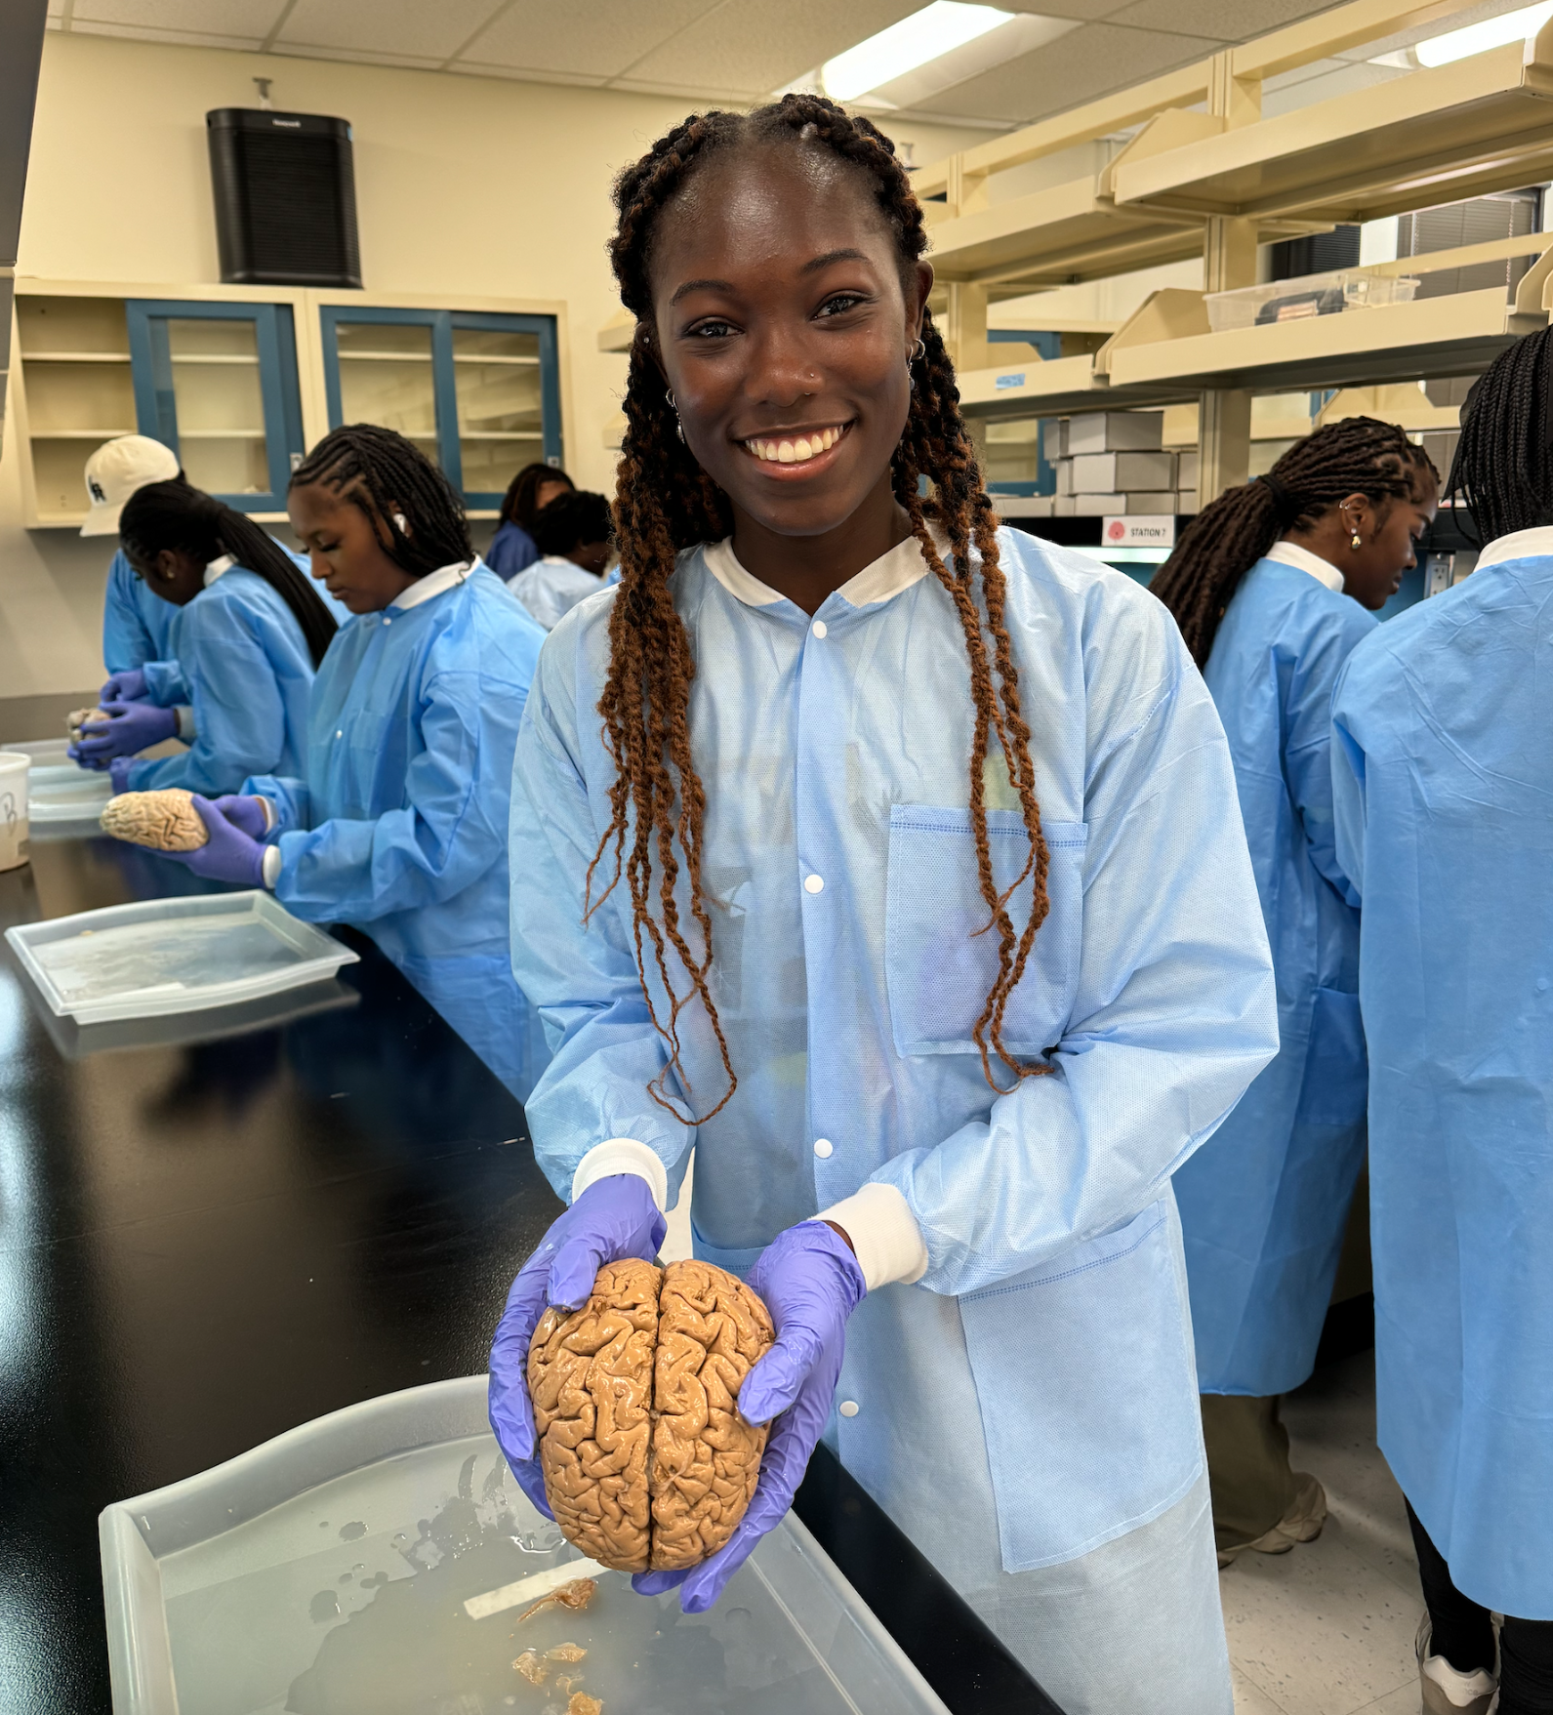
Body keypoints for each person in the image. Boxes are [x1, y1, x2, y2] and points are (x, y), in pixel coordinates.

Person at [485, 98, 1279, 1715]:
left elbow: (1178, 1034)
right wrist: (622, 1170)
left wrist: (866, 1241)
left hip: (1044, 1423)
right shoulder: (597, 677)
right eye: (712, 326)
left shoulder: (1091, 652)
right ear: (657, 359)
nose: (778, 373)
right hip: (738, 1408)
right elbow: (591, 1011)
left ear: (915, 314)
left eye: (834, 302)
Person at [1151, 418, 1437, 1568]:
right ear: (1357, 511)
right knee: (1260, 1235)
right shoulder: (1330, 630)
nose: (1410, 556)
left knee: (1197, 1230)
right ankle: (1244, 1497)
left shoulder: (1220, 603)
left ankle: (1188, 1466)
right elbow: (1352, 837)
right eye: (1411, 524)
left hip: (1190, 975)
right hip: (1291, 987)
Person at [1331, 331, 1553, 1715]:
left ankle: (1463, 1649)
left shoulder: (1392, 669)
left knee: (1461, 1362)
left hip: (1455, 1104)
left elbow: (1366, 873)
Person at [142, 426, 550, 1103]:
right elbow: (352, 784)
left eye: (327, 545)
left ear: (398, 518)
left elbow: (436, 844)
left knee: (479, 1196)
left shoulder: (478, 654)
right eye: (307, 549)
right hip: (377, 956)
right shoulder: (370, 627)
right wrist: (274, 807)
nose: (317, 570)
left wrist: (273, 864)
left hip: (463, 991)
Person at [71, 479, 336, 798]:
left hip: (291, 802)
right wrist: (156, 680)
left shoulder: (213, 610)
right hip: (333, 782)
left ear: (167, 564)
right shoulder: (284, 573)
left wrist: (137, 777)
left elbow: (239, 759)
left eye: (141, 575)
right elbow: (271, 671)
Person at [83, 434, 186, 699]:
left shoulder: (237, 566)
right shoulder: (125, 567)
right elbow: (128, 668)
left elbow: (235, 674)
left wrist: (176, 717)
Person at [506, 489, 613, 629]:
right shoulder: (593, 591)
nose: (611, 553)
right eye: (609, 543)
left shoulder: (515, 584)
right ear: (585, 543)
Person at [485, 462, 574, 582]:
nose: (563, 509)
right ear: (526, 505)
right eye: (552, 504)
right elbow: (517, 597)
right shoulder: (518, 543)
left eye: (568, 502)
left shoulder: (541, 540)